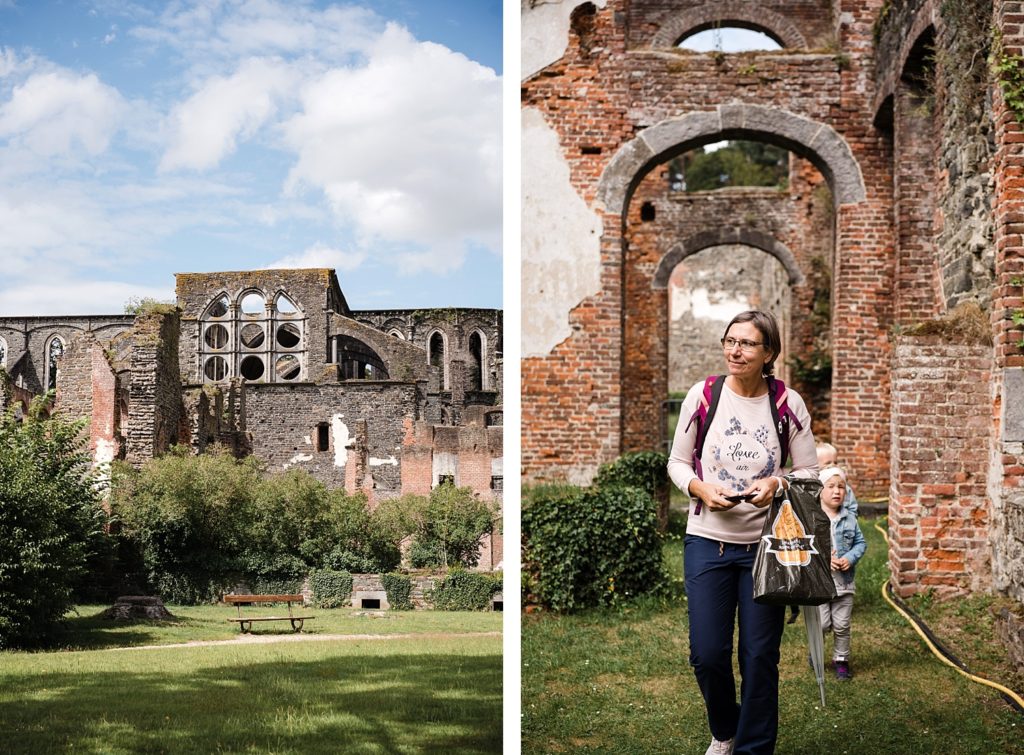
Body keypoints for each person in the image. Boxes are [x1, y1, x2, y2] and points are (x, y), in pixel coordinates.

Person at [668, 310, 818, 755]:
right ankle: (725, 729)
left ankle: (754, 749)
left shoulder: (788, 404)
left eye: (747, 343)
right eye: (730, 340)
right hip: (707, 540)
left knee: (758, 657)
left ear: (769, 352)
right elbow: (676, 462)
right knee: (708, 654)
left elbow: (809, 471)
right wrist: (697, 487)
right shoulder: (704, 395)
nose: (735, 350)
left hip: (765, 549)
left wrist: (776, 484)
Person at [817, 466, 866, 681]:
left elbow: (860, 543)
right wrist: (824, 559)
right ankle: (816, 653)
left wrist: (850, 558)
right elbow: (805, 548)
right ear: (820, 490)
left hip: (844, 585)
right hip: (820, 585)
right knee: (822, 624)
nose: (837, 491)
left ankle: (841, 660)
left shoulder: (849, 519)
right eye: (831, 487)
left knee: (842, 625)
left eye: (841, 487)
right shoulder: (813, 519)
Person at [816, 442, 859, 515]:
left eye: (835, 463)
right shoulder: (813, 485)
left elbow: (852, 506)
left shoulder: (843, 486)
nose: (832, 466)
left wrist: (850, 519)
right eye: (828, 463)